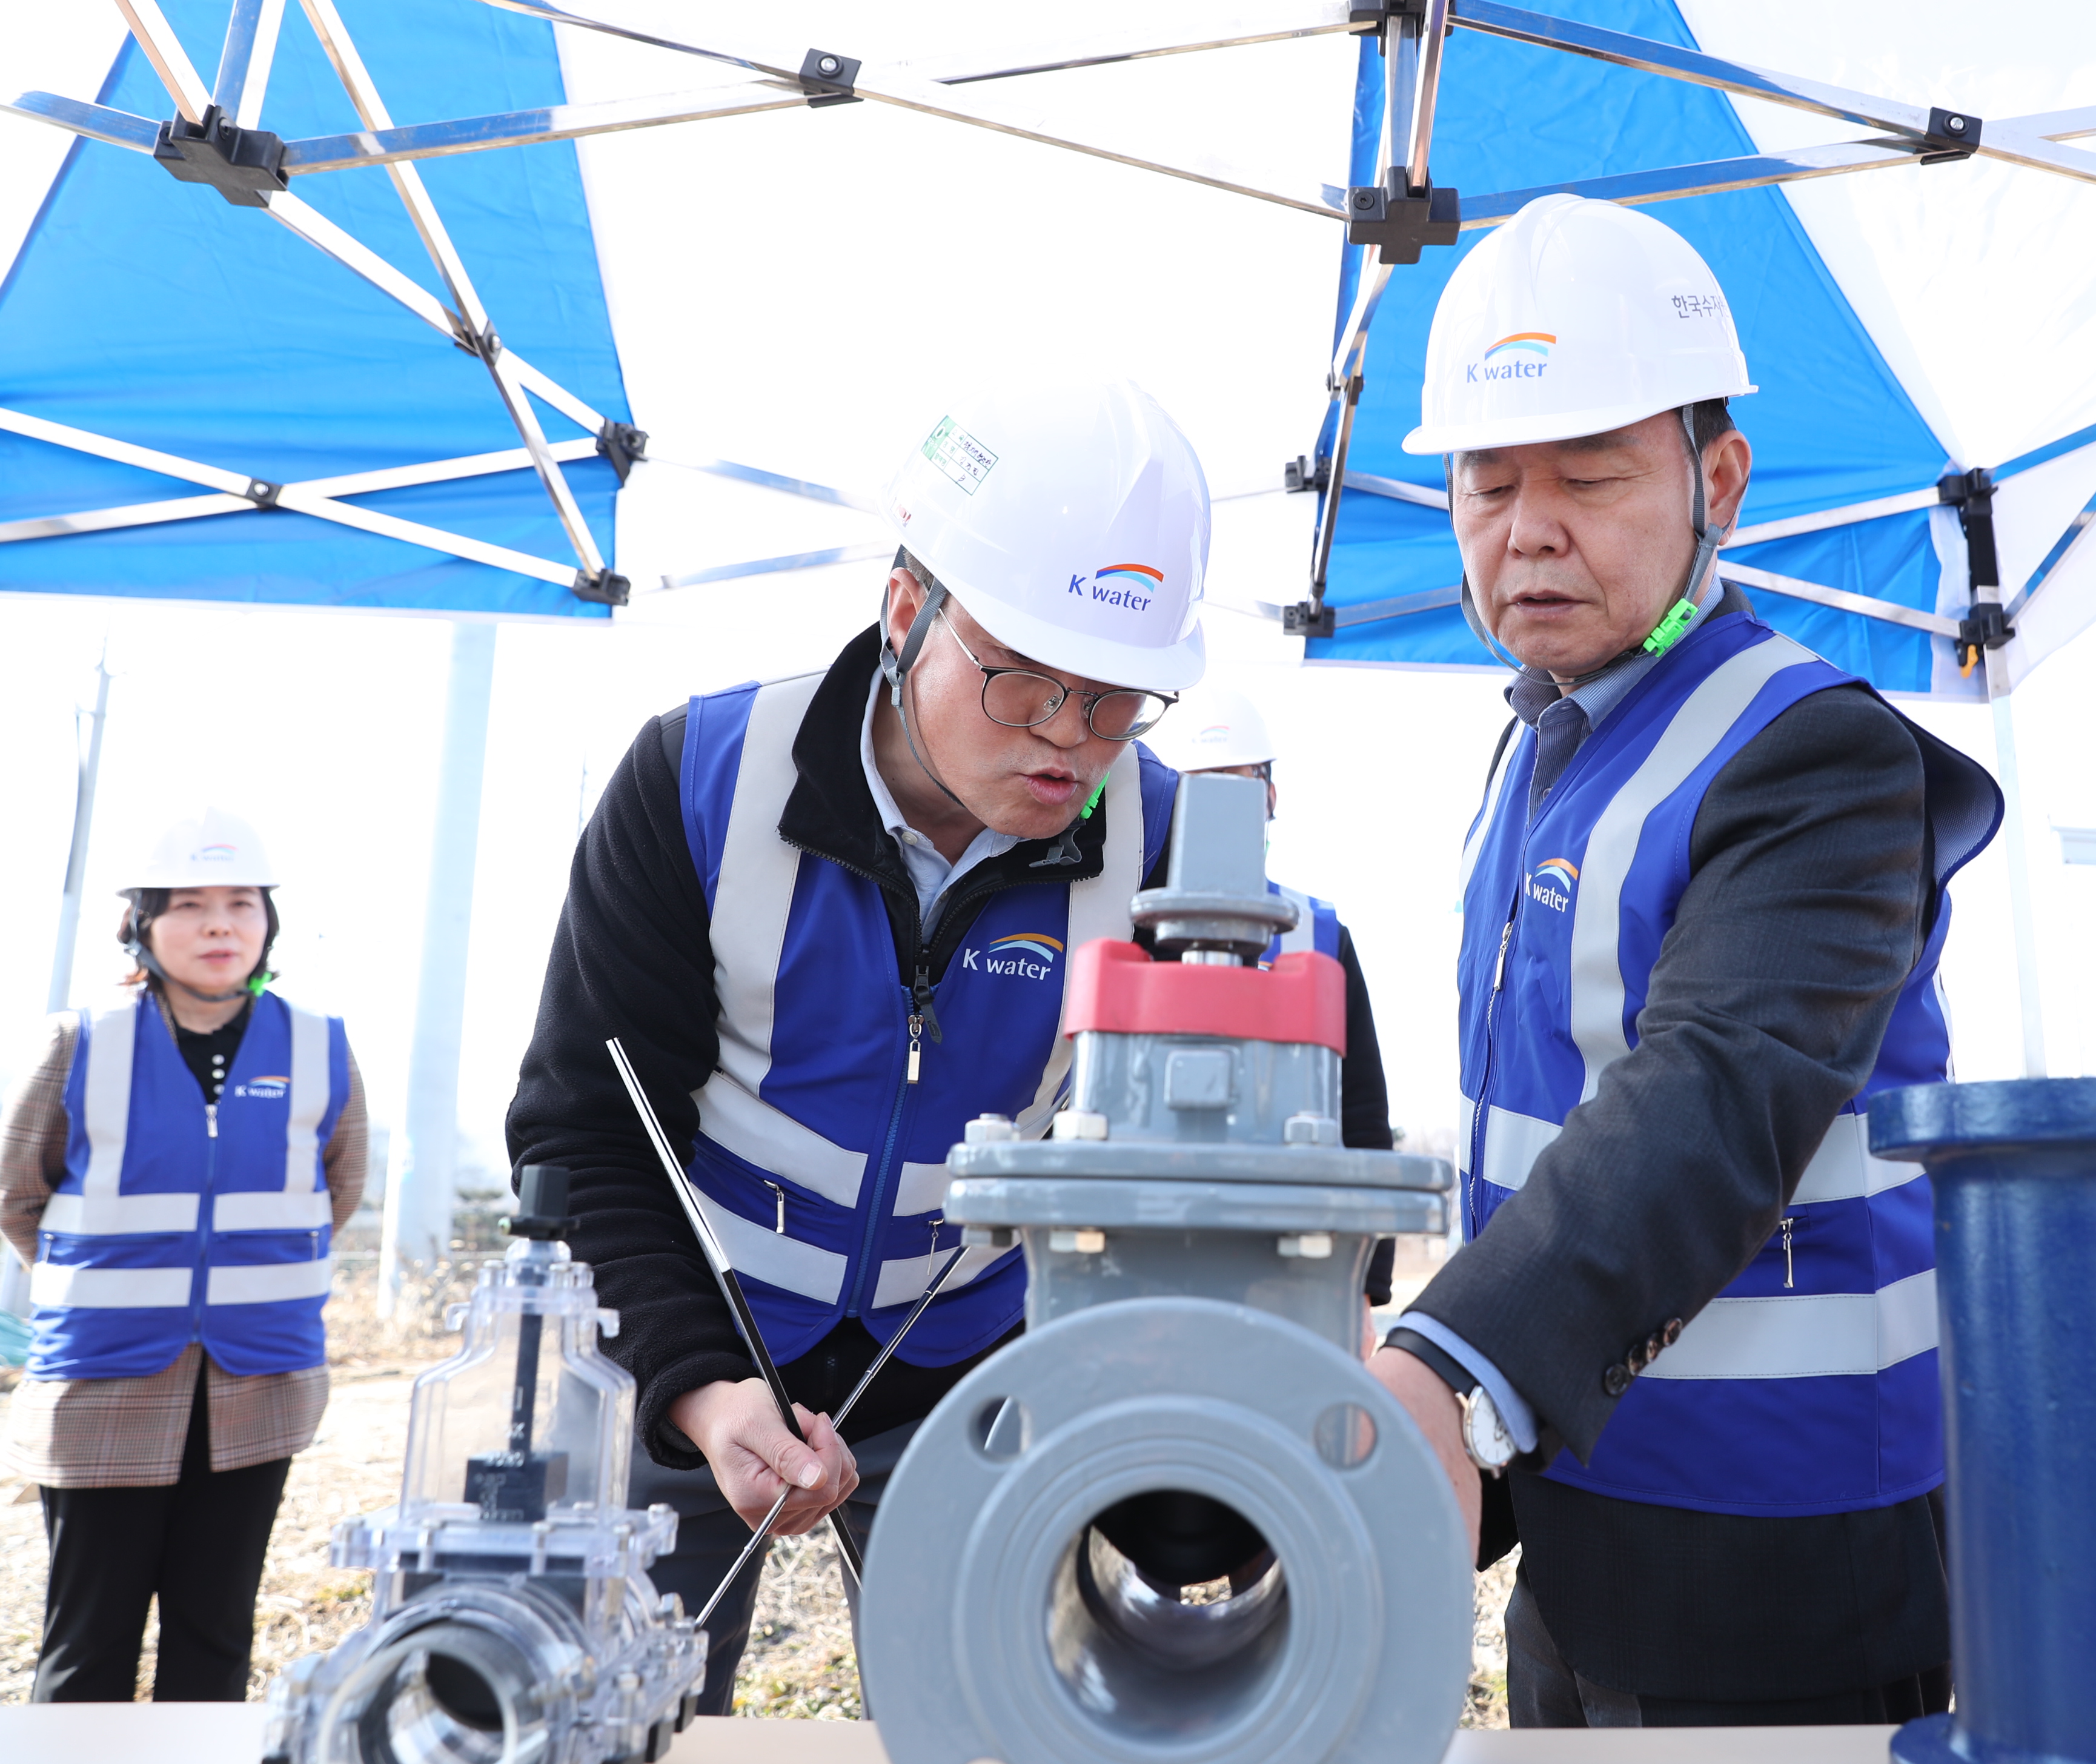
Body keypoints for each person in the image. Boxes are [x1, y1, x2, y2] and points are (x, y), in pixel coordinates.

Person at [505, 379, 1405, 1712]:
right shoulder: (699, 781)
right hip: (691, 1335)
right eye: (1022, 681)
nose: (1067, 741)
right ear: (907, 607)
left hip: (975, 1367)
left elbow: (1229, 1172)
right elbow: (587, 1127)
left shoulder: (1163, 854)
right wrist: (697, 1385)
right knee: (618, 1705)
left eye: (1115, 703)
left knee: (990, 1716)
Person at [1364, 194, 2004, 1728]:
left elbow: (1714, 1091)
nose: (1530, 530)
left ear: (1716, 480)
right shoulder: (1545, 748)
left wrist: (1444, 1363)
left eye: (1588, 476)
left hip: (1788, 1555)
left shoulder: (1817, 756)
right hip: (1574, 1505)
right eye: (1487, 482)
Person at [2, 809, 368, 1702]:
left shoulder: (321, 1048)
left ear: (268, 925)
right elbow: (19, 1193)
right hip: (105, 1383)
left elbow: (336, 1191)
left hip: (259, 1386)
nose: (220, 925)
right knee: (88, 1648)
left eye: (243, 904)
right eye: (192, 905)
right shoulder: (80, 1039)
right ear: (142, 925)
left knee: (214, 1640)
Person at [1164, 687, 1399, 1305]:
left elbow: (1363, 1117)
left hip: (1289, 1260)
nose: (1219, 805)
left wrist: (1367, 1287)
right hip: (1149, 1243)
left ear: (1271, 796)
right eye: (1199, 786)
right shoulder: (1123, 921)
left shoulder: (1319, 934)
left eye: (1236, 784)